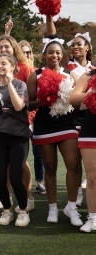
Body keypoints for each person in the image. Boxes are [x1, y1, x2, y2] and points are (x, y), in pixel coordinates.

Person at [27, 36, 82, 226]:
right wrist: (44, 98)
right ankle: (52, 208)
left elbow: (76, 104)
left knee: (73, 164)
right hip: (45, 125)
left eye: (58, 52)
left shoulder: (70, 75)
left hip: (66, 123)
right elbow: (29, 103)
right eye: (51, 52)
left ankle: (72, 207)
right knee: (50, 167)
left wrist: (67, 98)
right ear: (44, 54)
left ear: (62, 54)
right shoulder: (36, 75)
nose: (55, 55)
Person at [0, 34, 35, 210]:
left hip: (18, 135)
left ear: (13, 67)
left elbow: (18, 107)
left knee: (16, 176)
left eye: (4, 63)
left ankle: (24, 208)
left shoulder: (20, 84)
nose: (0, 66)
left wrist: (9, 83)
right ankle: (7, 209)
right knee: (0, 177)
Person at [66, 32, 94, 204]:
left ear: (88, 47)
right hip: (73, 117)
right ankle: (77, 194)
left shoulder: (93, 69)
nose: (75, 47)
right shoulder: (66, 66)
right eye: (73, 45)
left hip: (91, 117)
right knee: (74, 162)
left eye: (79, 44)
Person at [18, 40, 46, 195]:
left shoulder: (37, 71)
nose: (26, 55)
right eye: (23, 52)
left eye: (28, 52)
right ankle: (22, 184)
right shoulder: (17, 70)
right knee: (21, 152)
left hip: (36, 117)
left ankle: (39, 182)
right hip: (21, 116)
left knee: (38, 151)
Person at [70, 69, 96, 232]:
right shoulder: (90, 75)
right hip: (91, 130)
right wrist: (93, 93)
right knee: (92, 178)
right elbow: (73, 98)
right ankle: (92, 218)